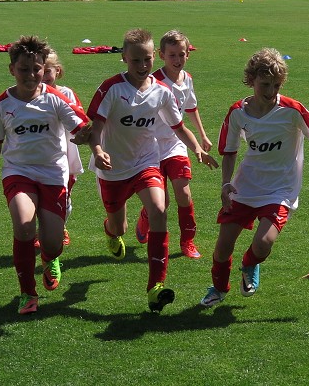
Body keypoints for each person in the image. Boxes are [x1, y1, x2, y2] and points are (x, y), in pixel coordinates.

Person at [199, 48, 309, 308]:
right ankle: (218, 289)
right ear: (251, 80)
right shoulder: (238, 112)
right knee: (223, 247)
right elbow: (229, 152)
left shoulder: (292, 110)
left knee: (262, 245)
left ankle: (249, 264)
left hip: (280, 190)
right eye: (264, 84)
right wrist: (226, 183)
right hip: (245, 186)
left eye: (275, 85)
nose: (270, 91)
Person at [87, 28, 218, 313]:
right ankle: (111, 231)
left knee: (160, 210)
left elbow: (178, 126)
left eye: (147, 60)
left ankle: (155, 287)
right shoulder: (111, 88)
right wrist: (98, 151)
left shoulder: (162, 91)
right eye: (136, 61)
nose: (143, 66)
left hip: (146, 162)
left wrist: (196, 148)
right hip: (113, 168)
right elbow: (94, 127)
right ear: (124, 58)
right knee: (119, 225)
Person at [0, 36, 91, 315]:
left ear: (43, 68)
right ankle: (28, 294)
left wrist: (92, 140)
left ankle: (49, 257)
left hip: (53, 174)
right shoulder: (3, 104)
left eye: (36, 68)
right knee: (24, 225)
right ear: (12, 69)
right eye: (24, 69)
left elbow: (80, 130)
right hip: (18, 173)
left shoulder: (55, 99)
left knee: (53, 243)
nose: (31, 75)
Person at [135, 30, 212, 259]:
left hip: (177, 143)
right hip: (151, 147)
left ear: (188, 54)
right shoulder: (153, 82)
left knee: (184, 192)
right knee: (163, 200)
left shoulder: (187, 79)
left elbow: (190, 108)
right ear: (161, 55)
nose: (178, 60)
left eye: (182, 54)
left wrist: (203, 136)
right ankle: (146, 217)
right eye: (172, 55)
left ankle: (187, 242)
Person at [42, 50, 83, 247]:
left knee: (63, 196)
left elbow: (80, 120)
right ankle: (42, 231)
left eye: (47, 71)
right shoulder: (30, 94)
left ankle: (60, 227)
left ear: (57, 71)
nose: (42, 76)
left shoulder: (66, 94)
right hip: (41, 156)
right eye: (38, 70)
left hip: (66, 153)